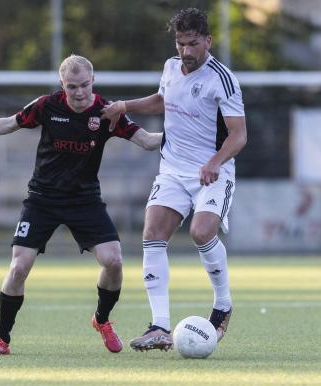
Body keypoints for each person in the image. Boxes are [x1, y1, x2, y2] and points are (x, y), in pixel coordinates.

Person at [0, 55, 162, 355]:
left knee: (114, 261)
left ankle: (102, 320)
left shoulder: (108, 112)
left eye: (84, 85)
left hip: (84, 200)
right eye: (71, 86)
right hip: (42, 200)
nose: (79, 93)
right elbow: (7, 124)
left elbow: (149, 141)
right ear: (62, 85)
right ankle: (3, 339)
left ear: (93, 81)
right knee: (18, 267)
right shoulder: (47, 106)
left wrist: (187, 134)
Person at [101, 8, 247, 351]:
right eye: (181, 43)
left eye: (193, 43)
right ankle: (160, 327)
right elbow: (161, 102)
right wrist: (124, 105)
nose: (186, 51)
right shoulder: (170, 67)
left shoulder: (222, 79)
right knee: (152, 234)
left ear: (208, 41)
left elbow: (239, 136)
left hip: (212, 172)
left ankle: (223, 305)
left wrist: (214, 161)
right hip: (172, 170)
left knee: (201, 232)